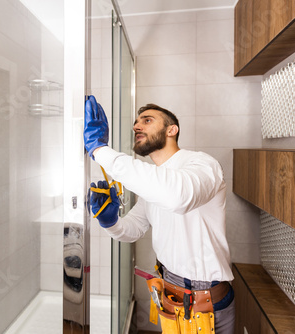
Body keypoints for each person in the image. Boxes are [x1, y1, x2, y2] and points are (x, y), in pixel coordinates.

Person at [83, 95, 235, 334]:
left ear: (171, 130)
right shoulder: (155, 183)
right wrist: (110, 221)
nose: (136, 126)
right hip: (170, 295)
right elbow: (133, 229)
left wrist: (99, 150)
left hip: (205, 304)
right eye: (136, 122)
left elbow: (178, 196)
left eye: (147, 120)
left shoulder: (203, 165)